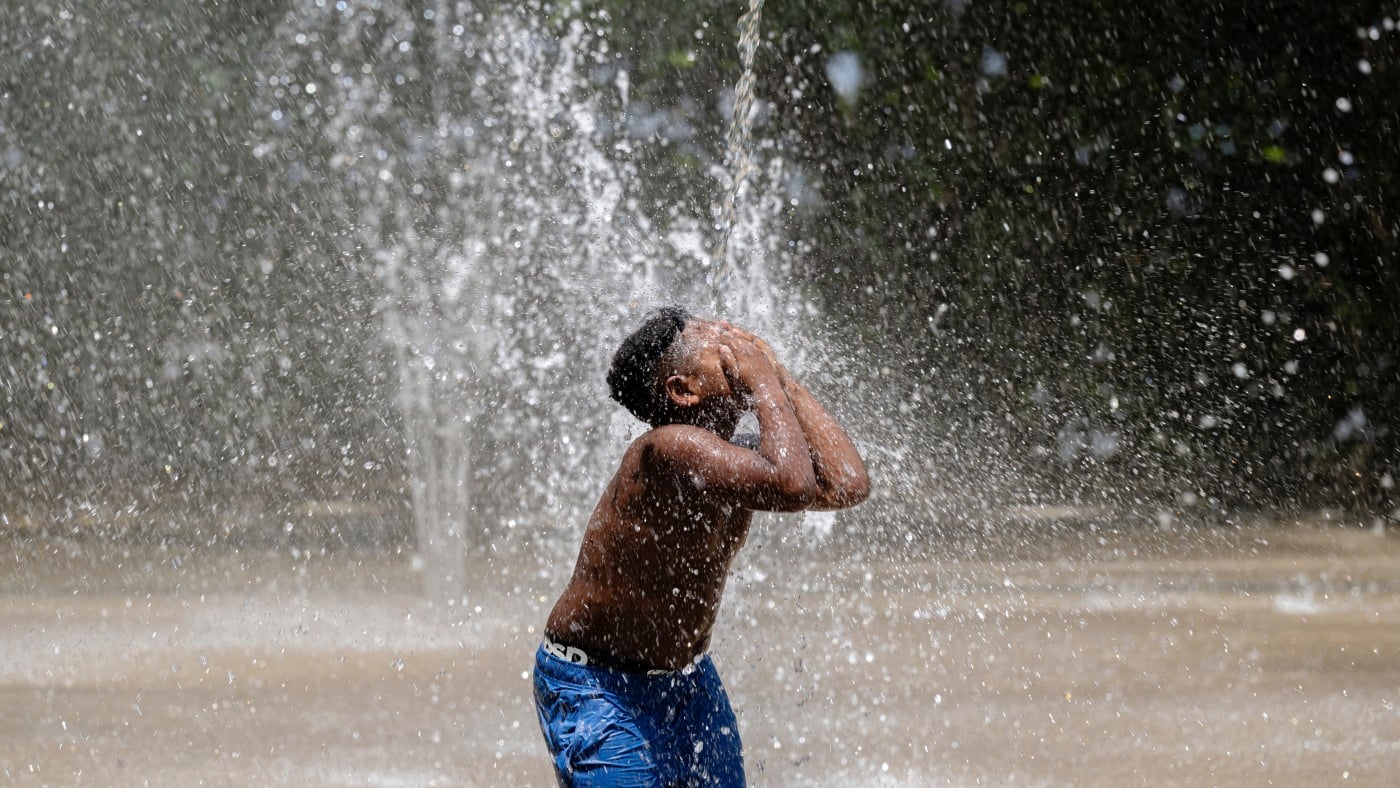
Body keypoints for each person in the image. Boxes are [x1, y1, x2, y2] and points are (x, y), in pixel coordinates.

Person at [532, 306, 870, 786]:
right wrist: (764, 383)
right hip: (599, 686)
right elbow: (793, 484)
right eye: (719, 341)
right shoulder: (666, 450)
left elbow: (848, 483)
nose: (737, 341)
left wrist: (783, 379)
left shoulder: (734, 460)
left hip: (686, 681)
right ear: (683, 389)